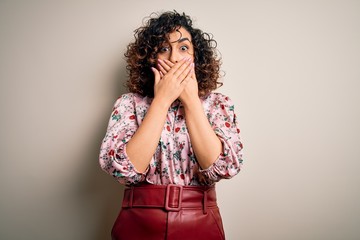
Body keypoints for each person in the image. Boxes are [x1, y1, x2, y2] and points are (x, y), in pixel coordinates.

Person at [99, 10, 243, 240]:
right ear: (151, 58)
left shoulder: (218, 104)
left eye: (183, 48)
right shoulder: (129, 104)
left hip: (200, 221)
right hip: (138, 221)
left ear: (197, 58)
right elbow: (124, 170)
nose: (174, 58)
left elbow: (222, 167)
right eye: (164, 48)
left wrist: (191, 101)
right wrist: (162, 100)